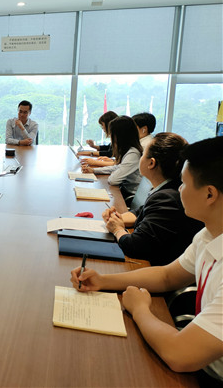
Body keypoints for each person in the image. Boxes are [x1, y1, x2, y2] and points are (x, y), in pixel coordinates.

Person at [71, 136, 223, 384]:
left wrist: (140, 308)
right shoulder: (209, 235)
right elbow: (167, 276)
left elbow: (180, 355)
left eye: (184, 183)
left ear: (209, 194)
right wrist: (103, 281)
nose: (179, 189)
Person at [101, 133, 203, 265]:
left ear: (151, 163)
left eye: (143, 154)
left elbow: (135, 246)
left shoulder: (167, 198)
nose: (140, 158)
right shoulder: (169, 188)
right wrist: (117, 218)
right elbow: (141, 211)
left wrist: (117, 229)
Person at [82, 116, 142, 204]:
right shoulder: (129, 150)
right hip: (124, 191)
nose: (111, 138)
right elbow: (117, 167)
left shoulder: (133, 154)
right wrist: (94, 170)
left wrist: (115, 172)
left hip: (129, 196)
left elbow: (113, 180)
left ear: (120, 136)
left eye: (112, 134)